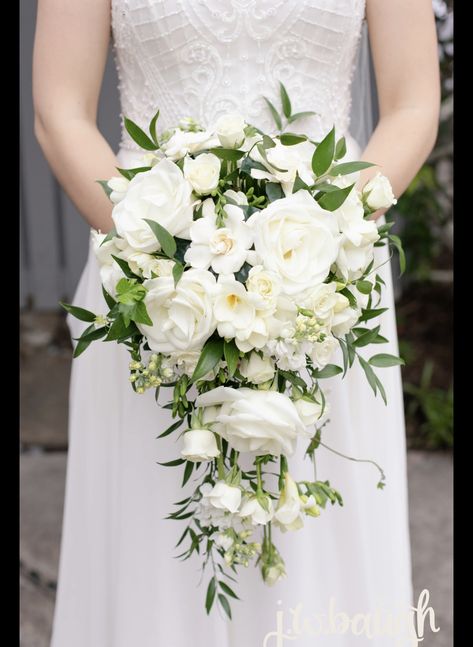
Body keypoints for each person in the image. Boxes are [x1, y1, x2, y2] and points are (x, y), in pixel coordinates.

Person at [33, 1, 440, 645]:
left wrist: (325, 246)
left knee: (313, 544)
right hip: (155, 295)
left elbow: (415, 101)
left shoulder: (325, 269)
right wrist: (163, 257)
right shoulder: (155, 269)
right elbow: (59, 112)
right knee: (161, 539)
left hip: (325, 290)